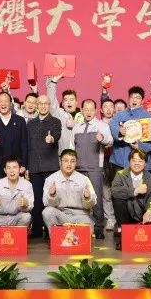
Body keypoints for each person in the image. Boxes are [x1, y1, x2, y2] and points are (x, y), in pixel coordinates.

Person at [70, 99, 113, 239]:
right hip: (78, 168)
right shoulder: (76, 127)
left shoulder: (102, 126)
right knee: (79, 199)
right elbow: (71, 147)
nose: (88, 112)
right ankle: (81, 227)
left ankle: (99, 228)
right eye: (86, 109)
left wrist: (102, 138)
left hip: (95, 167)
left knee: (96, 199)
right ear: (82, 110)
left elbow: (110, 141)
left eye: (91, 109)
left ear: (95, 110)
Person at [26, 94, 63, 237]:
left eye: (45, 103)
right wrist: (27, 166)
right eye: (40, 103)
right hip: (34, 167)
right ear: (36, 105)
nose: (43, 106)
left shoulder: (55, 121)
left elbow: (57, 135)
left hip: (50, 167)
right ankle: (36, 229)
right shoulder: (30, 123)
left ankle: (50, 231)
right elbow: (27, 146)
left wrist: (52, 138)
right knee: (36, 199)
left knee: (51, 198)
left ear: (49, 105)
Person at [111, 150, 151, 249]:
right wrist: (135, 191)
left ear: (145, 163)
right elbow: (114, 191)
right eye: (134, 160)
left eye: (140, 161)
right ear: (129, 161)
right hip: (126, 213)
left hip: (143, 213)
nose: (137, 163)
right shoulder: (121, 174)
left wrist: (149, 211)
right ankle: (123, 237)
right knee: (118, 202)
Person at [41, 150, 97, 235]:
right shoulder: (51, 179)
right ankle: (56, 237)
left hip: (80, 215)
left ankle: (69, 236)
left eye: (72, 161)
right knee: (47, 212)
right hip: (61, 215)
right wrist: (52, 195)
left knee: (89, 231)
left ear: (76, 162)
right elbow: (46, 202)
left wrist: (88, 198)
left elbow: (93, 203)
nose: (69, 164)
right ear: (60, 162)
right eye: (66, 161)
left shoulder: (84, 179)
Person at [110, 86, 151, 172]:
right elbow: (113, 128)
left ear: (142, 100)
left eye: (137, 97)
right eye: (132, 97)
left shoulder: (149, 117)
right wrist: (119, 132)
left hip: (141, 161)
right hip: (119, 161)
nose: (134, 100)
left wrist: (140, 146)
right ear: (128, 99)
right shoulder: (119, 115)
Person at [0, 156, 33, 227]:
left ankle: (18, 233)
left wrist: (26, 203)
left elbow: (31, 206)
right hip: (0, 218)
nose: (11, 171)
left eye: (15, 167)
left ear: (20, 169)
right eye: (8, 168)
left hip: (17, 217)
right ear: (5, 170)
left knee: (26, 217)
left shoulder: (27, 184)